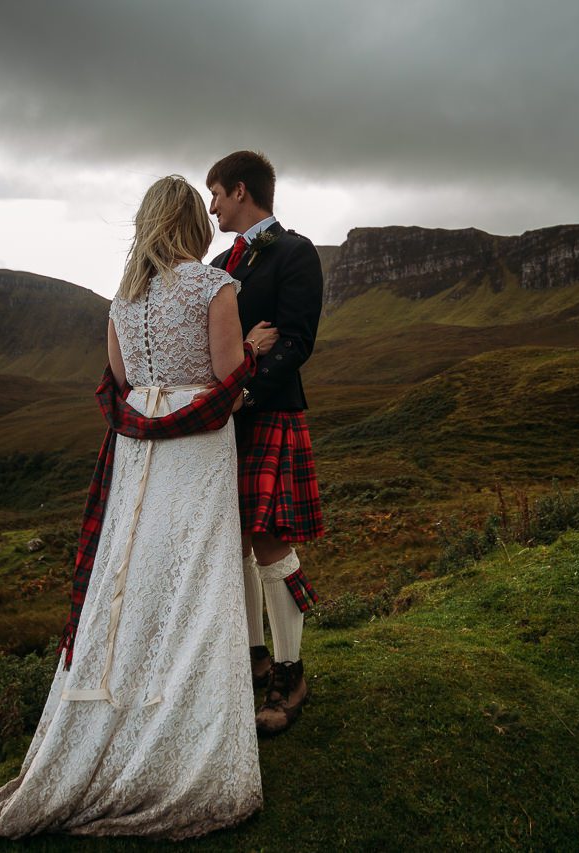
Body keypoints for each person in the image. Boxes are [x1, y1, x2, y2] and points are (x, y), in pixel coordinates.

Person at [0, 175, 278, 848]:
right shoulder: (214, 288)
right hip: (198, 454)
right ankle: (189, 742)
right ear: (191, 224)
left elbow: (120, 384)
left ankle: (121, 717)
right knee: (197, 585)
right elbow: (229, 388)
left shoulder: (123, 299)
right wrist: (255, 357)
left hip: (137, 454)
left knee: (132, 582)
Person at [207, 150, 325, 736]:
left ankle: (290, 672)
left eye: (217, 195)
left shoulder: (295, 252)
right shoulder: (219, 261)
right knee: (236, 537)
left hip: (266, 409)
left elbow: (298, 341)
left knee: (269, 536)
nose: (212, 207)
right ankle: (252, 657)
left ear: (242, 190)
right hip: (226, 418)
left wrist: (246, 394)